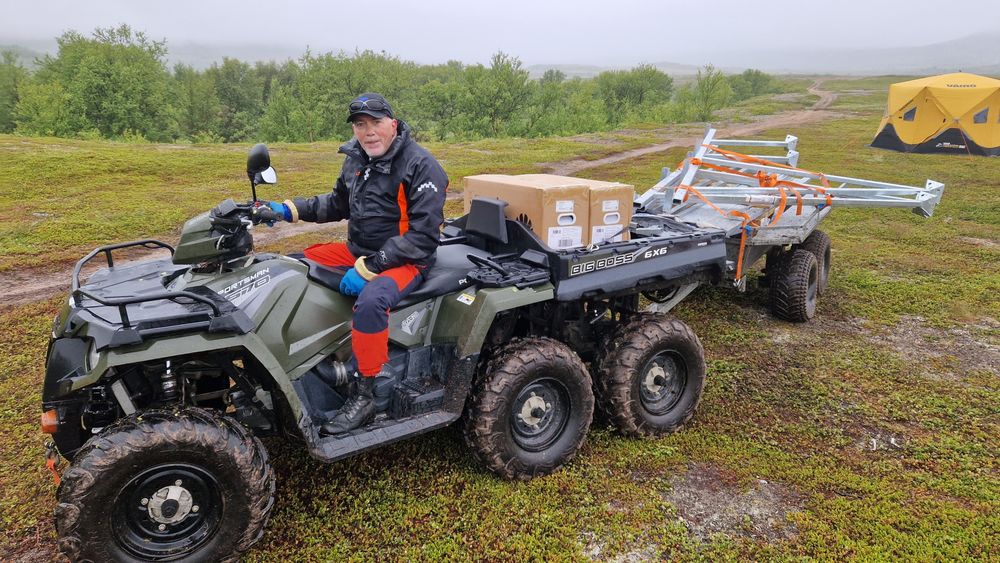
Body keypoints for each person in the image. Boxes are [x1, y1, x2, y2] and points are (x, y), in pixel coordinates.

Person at [259, 93, 448, 435]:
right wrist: (287, 209)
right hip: (359, 249)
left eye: (375, 123)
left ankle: (366, 394)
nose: (368, 132)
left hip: (408, 260)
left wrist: (372, 267)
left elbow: (423, 238)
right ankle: (309, 351)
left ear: (393, 123)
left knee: (372, 302)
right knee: (297, 264)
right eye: (361, 125)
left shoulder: (421, 165)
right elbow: (336, 203)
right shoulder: (356, 158)